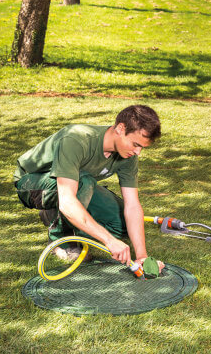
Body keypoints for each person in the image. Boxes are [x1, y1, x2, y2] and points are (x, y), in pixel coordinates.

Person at [14, 105, 164, 272]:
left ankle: (55, 215)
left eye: (142, 147)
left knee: (121, 224)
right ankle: (63, 241)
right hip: (32, 184)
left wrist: (142, 255)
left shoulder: (128, 155)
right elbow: (68, 200)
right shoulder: (76, 139)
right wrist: (108, 240)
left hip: (77, 185)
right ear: (121, 128)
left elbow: (133, 205)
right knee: (84, 182)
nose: (138, 152)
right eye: (136, 144)